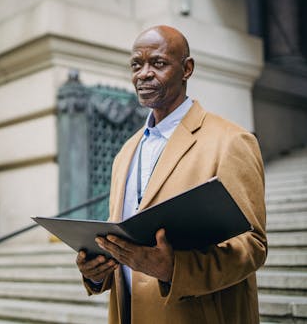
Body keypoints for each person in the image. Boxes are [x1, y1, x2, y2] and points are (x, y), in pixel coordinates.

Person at [75, 25, 267, 324]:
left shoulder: (231, 141)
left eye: (158, 63)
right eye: (136, 65)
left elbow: (252, 246)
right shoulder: (125, 152)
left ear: (186, 69)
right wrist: (97, 273)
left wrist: (174, 269)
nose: (144, 74)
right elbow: (124, 245)